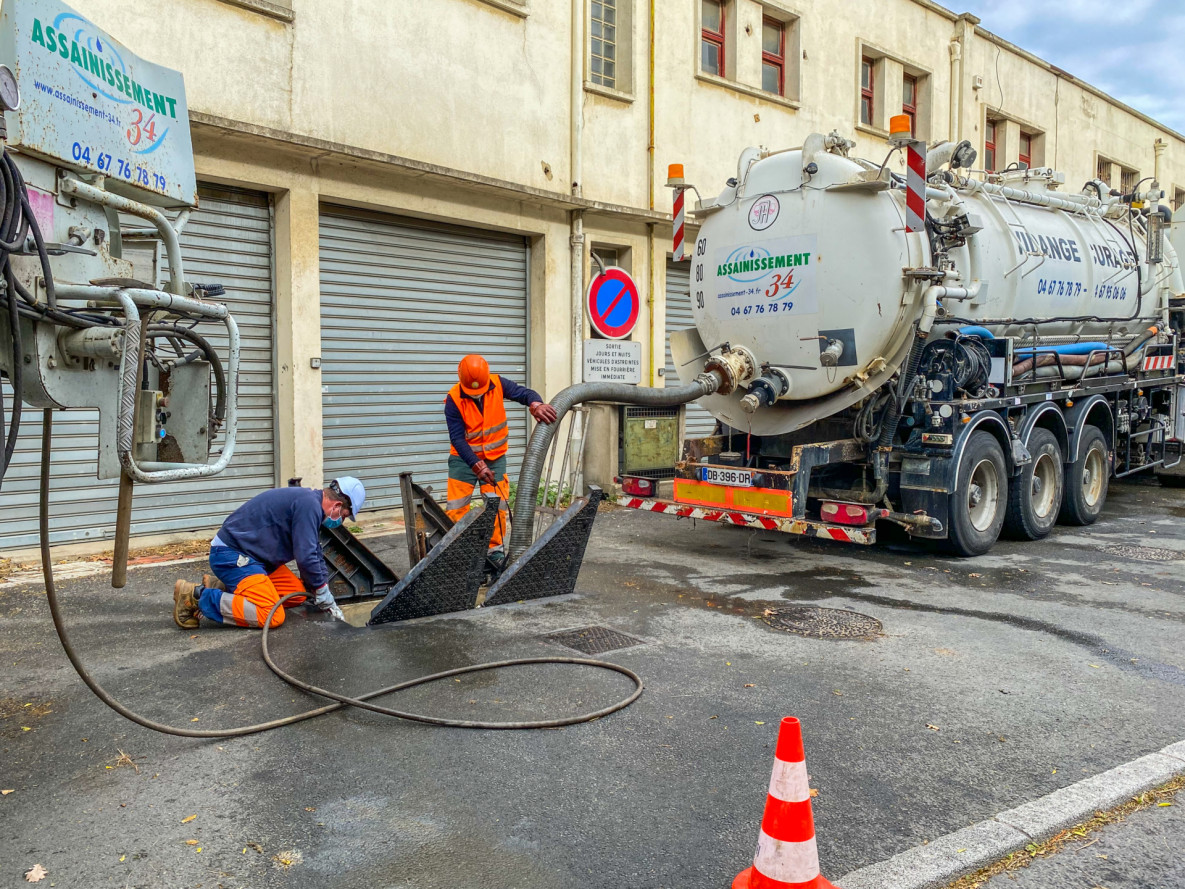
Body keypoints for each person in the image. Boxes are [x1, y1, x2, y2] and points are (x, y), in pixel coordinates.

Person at [171, 477, 367, 629]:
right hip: (233, 555)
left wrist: (321, 589)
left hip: (255, 558)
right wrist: (322, 591)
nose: (340, 521)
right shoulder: (309, 505)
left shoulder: (309, 502)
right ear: (338, 506)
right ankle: (196, 596)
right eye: (344, 516)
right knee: (271, 614)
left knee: (295, 596)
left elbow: (313, 550)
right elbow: (305, 556)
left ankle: (223, 586)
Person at [444, 355, 556, 571]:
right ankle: (455, 554)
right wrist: (477, 465)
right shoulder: (454, 399)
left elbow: (525, 393)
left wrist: (536, 404)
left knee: (497, 506)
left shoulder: (497, 384)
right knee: (456, 508)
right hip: (463, 460)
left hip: (495, 458)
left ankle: (494, 552)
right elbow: (457, 439)